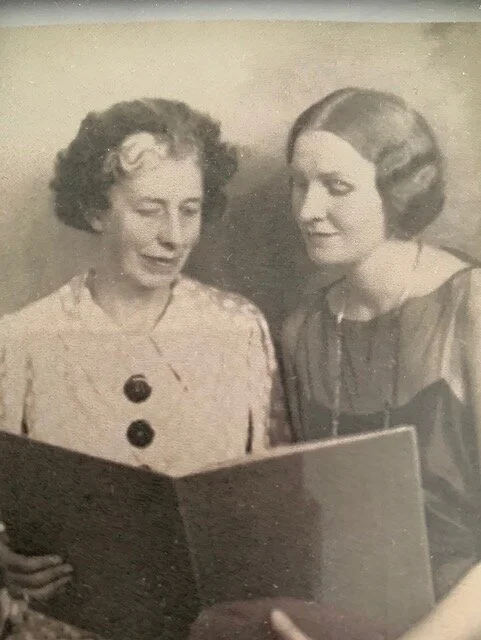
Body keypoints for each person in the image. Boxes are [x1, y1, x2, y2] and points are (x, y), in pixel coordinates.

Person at [0, 97, 289, 639]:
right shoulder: (21, 341)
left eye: (190, 209)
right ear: (96, 210)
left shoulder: (239, 329)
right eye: (150, 210)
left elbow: (274, 496)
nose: (174, 236)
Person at [275, 87, 481, 639]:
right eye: (299, 184)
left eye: (336, 187)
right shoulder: (303, 330)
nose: (308, 210)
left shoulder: (470, 309)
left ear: (397, 191)